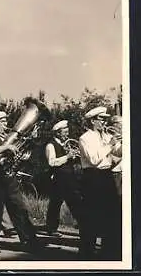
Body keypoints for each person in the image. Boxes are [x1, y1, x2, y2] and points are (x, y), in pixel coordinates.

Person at [0, 111, 41, 253]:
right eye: (2, 122)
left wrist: (29, 141)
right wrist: (7, 147)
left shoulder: (10, 137)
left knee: (20, 209)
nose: (6, 124)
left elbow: (20, 152)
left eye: (5, 121)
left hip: (9, 177)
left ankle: (28, 240)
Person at [78, 106, 122, 260]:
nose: (104, 122)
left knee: (112, 214)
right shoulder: (85, 138)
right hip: (93, 177)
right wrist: (110, 145)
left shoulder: (104, 136)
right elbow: (95, 160)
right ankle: (86, 252)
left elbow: (116, 155)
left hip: (106, 176)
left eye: (104, 119)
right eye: (101, 119)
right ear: (92, 121)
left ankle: (109, 251)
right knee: (91, 215)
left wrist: (121, 142)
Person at [44, 120, 83, 238]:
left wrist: (75, 156)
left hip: (70, 177)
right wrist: (68, 156)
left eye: (67, 131)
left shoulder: (65, 144)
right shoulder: (50, 145)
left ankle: (84, 227)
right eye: (65, 132)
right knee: (56, 204)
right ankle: (51, 228)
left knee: (75, 202)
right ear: (57, 133)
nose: (67, 134)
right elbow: (52, 162)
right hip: (58, 178)